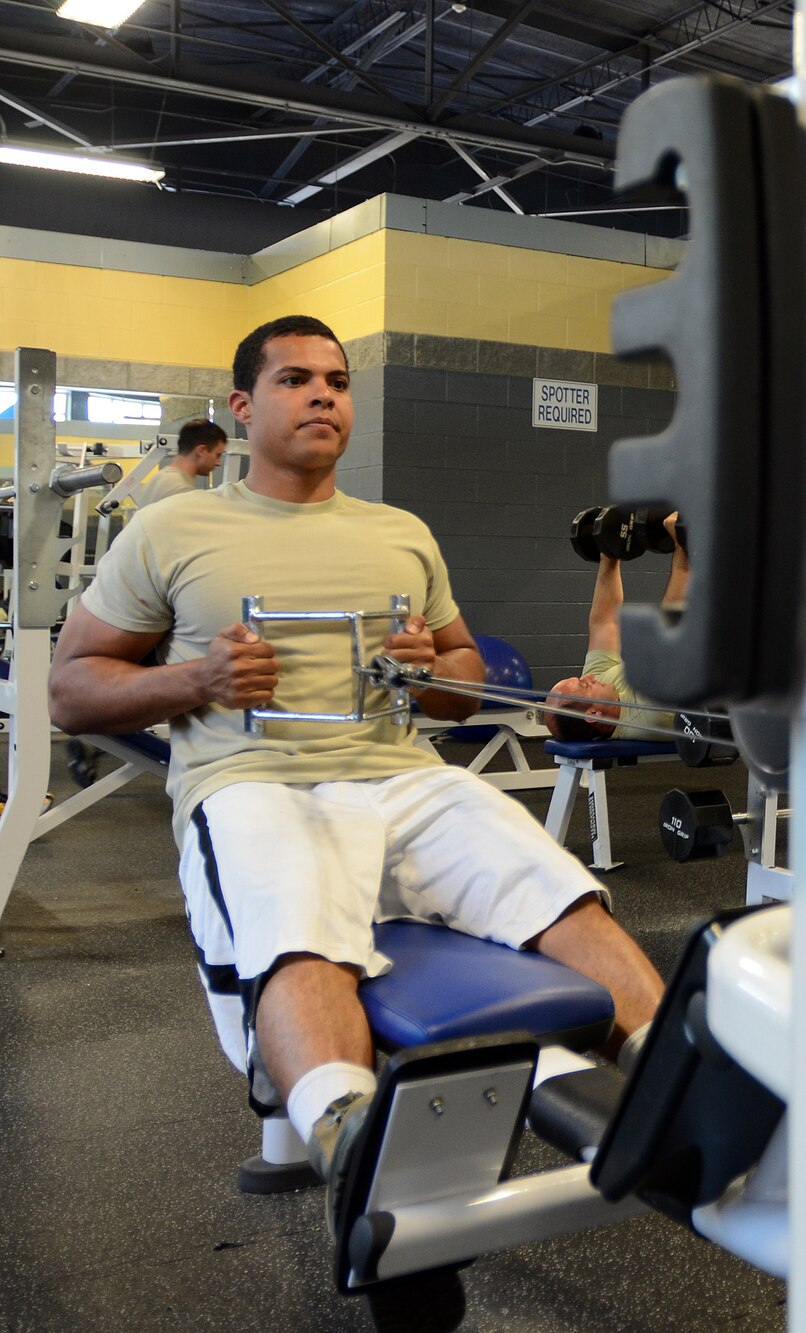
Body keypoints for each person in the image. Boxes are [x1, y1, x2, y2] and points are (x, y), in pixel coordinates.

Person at [48, 314, 667, 1222]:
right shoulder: (171, 528)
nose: (323, 395)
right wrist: (197, 677)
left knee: (552, 883)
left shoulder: (401, 533)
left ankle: (677, 1077)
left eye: (336, 381)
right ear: (242, 405)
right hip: (252, 781)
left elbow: (460, 687)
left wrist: (431, 669)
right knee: (295, 920)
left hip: (404, 775)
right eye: (296, 379)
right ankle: (352, 1141)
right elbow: (71, 688)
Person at [542, 529, 689, 742]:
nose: (590, 678)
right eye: (584, 685)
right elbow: (675, 620)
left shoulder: (601, 690)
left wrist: (609, 552)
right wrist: (682, 547)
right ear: (593, 714)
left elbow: (605, 622)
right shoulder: (652, 712)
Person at [133, 418, 229, 508]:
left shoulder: (160, 478)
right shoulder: (180, 490)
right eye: (217, 455)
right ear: (201, 451)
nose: (218, 463)